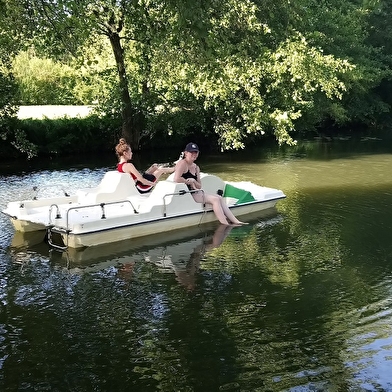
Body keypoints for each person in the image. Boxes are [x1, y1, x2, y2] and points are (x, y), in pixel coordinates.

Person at [173, 142, 247, 225]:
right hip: (187, 194)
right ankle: (225, 224)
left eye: (196, 152)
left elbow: (199, 185)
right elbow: (176, 179)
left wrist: (193, 181)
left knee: (219, 197)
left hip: (196, 192)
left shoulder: (196, 167)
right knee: (215, 200)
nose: (194, 154)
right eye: (191, 152)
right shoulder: (182, 164)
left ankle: (235, 221)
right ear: (186, 153)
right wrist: (187, 181)